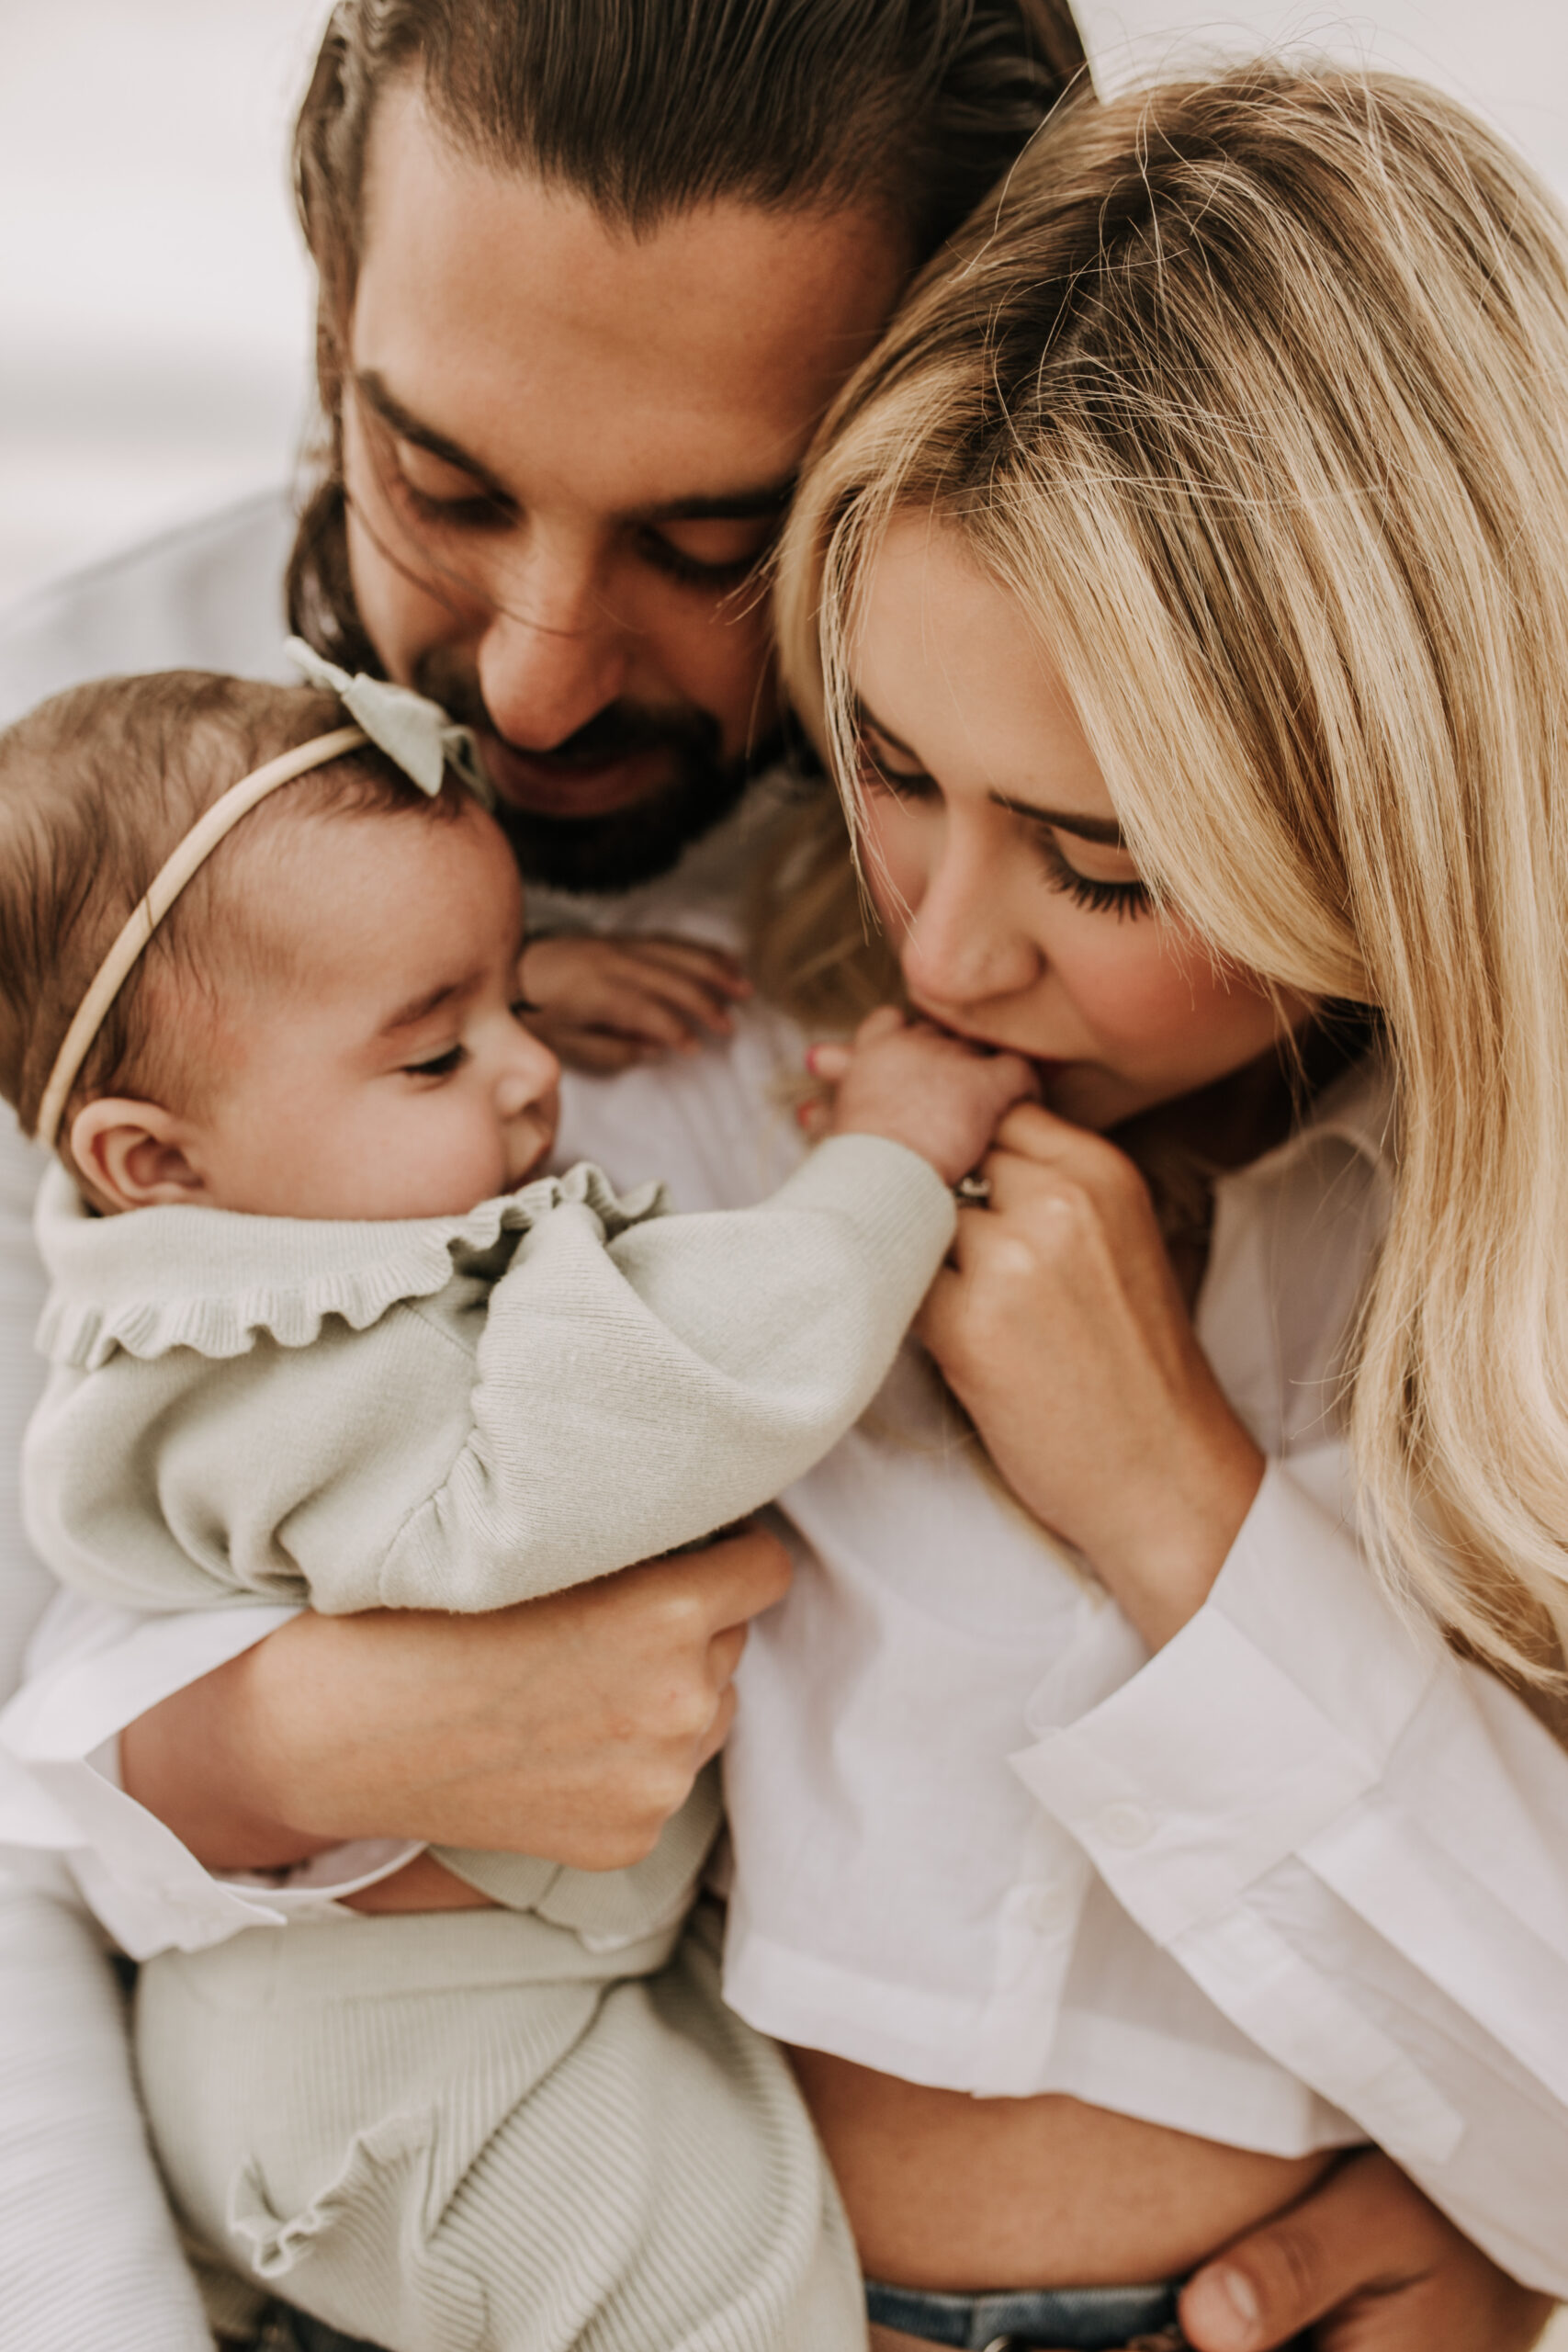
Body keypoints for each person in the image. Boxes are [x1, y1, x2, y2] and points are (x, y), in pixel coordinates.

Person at [0, 4, 1554, 2347]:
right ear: (325, 297)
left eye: (711, 541)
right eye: (436, 478)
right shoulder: (213, 908)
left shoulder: (971, 899)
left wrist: (1514, 2197)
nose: (527, 694)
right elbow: (82, 1699)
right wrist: (255, 1741)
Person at [750, 53, 1568, 2346]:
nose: (939, 942)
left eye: (1099, 861)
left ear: (1391, 822)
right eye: (890, 765)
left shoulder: (1499, 1265)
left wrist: (1178, 1512)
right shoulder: (704, 1048)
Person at [2, 661, 1031, 2350]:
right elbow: (641, 1405)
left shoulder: (245, 1249)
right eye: (434, 1052)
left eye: (513, 1002)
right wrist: (890, 1166)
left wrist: (464, 1006)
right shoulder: (264, 1367)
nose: (526, 1076)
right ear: (152, 1161)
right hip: (425, 2068)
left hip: (412, 2033)